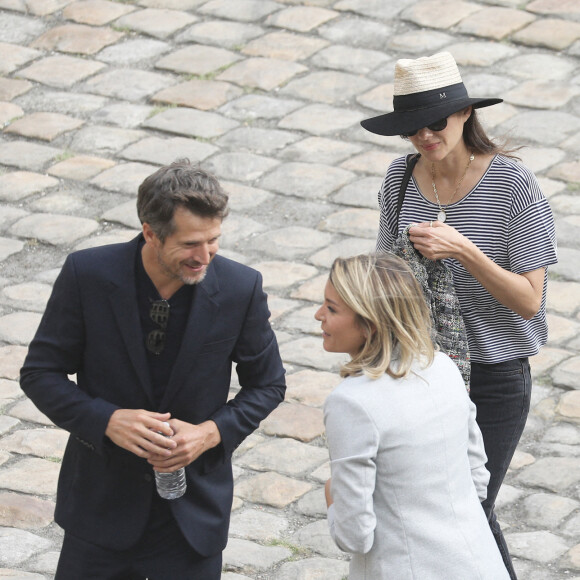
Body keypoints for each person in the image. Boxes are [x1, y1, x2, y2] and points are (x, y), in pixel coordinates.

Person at [20, 160, 286, 580]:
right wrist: (105, 420)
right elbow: (40, 373)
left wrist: (207, 435)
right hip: (100, 509)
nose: (205, 257)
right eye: (190, 245)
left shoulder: (241, 287)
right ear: (150, 232)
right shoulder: (87, 274)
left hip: (192, 517)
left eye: (213, 241)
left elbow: (268, 385)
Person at [360, 52, 557, 579]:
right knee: (430, 512)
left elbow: (529, 301)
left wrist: (464, 251)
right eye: (411, 128)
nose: (425, 136)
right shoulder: (401, 179)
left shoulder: (513, 185)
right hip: (422, 371)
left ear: (466, 113)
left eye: (435, 123)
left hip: (494, 373)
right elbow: (384, 278)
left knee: (471, 507)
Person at [316, 252, 509, 580]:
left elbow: (354, 535)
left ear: (369, 324)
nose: (318, 315)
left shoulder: (351, 402)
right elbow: (478, 479)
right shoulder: (444, 367)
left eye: (332, 308)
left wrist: (331, 495)